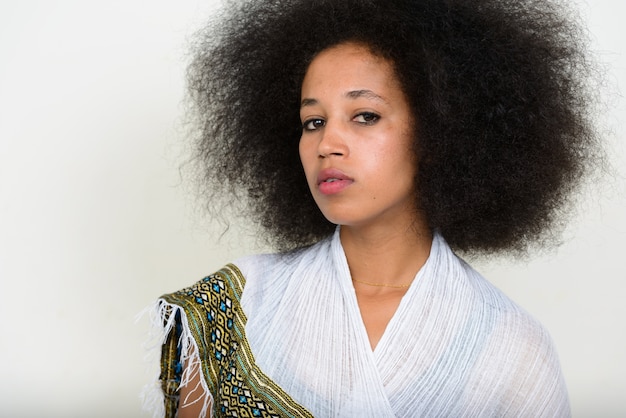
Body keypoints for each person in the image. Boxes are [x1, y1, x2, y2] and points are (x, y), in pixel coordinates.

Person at [149, 0, 600, 416]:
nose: (328, 144)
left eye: (365, 115)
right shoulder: (228, 312)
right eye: (313, 121)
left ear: (437, 132)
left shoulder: (513, 351)